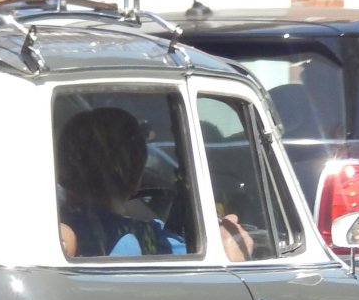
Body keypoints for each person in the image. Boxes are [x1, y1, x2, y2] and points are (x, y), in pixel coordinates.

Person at [56, 106, 251, 260]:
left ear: (60, 172)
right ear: (135, 182)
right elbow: (203, 264)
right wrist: (231, 252)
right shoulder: (146, 238)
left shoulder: (47, 231)